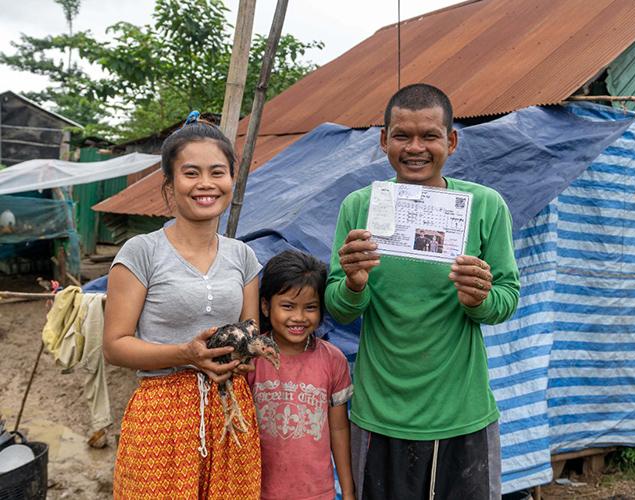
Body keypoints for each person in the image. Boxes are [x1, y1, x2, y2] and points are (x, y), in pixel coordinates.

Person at [325, 83, 520, 499]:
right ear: (383, 141)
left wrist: (479, 301)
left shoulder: (485, 206)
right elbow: (337, 306)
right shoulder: (359, 207)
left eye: (430, 136)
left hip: (462, 413)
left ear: (451, 141)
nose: (416, 148)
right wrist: (355, 285)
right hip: (379, 414)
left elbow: (507, 297)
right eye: (402, 136)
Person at [103, 115, 263, 499]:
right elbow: (114, 346)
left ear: (231, 181)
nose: (206, 184)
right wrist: (185, 354)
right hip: (162, 412)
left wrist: (244, 356)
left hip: (230, 410)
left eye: (217, 172)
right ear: (170, 185)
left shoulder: (243, 256)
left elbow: (251, 330)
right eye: (191, 173)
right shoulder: (141, 252)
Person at [248, 250, 355, 500]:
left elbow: (338, 429)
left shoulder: (333, 360)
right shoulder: (251, 358)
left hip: (316, 493)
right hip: (256, 491)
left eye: (310, 308)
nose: (298, 317)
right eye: (287, 306)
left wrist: (348, 491)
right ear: (265, 306)